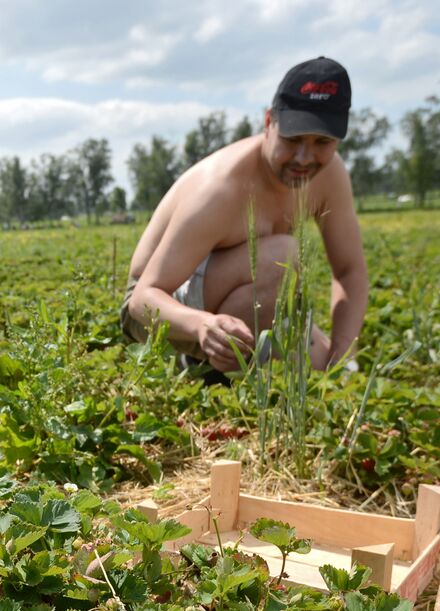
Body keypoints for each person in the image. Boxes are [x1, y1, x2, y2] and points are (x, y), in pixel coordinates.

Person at [120, 57, 368, 376]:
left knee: (325, 374)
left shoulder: (330, 176)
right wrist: (202, 326)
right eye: (292, 140)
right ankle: (203, 358)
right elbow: (143, 298)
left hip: (240, 297)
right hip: (158, 313)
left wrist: (341, 354)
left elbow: (349, 271)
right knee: (282, 256)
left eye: (322, 142)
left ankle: (215, 364)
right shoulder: (221, 188)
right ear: (269, 122)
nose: (305, 158)